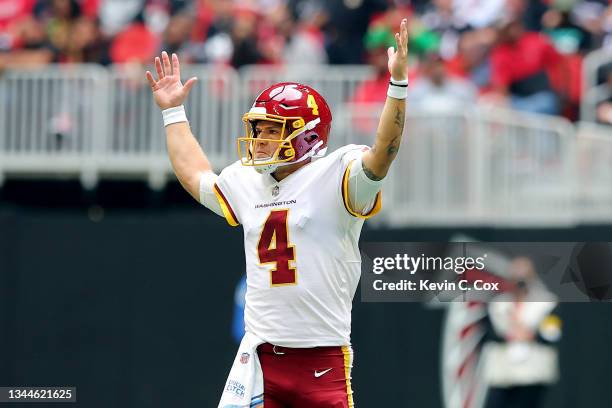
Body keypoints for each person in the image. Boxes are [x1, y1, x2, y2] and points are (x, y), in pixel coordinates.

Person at [145, 18, 409, 408]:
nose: (260, 140)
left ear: (308, 134)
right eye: (259, 129)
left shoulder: (337, 174)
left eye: (271, 129)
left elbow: (383, 152)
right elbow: (197, 179)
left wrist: (398, 86)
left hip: (321, 360)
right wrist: (173, 114)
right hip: (259, 359)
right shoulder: (247, 181)